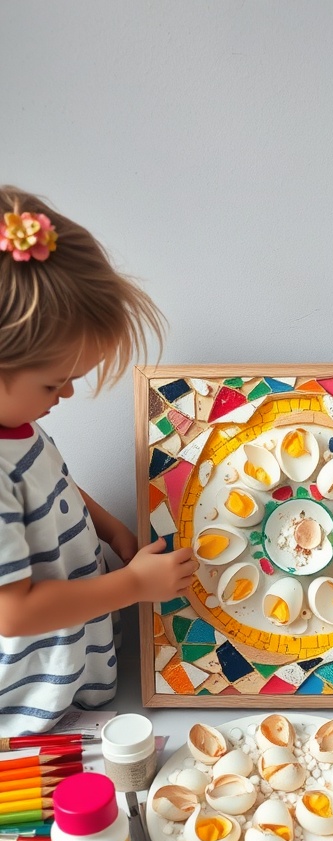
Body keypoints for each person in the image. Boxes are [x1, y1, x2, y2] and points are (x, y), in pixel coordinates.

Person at [0, 186, 195, 735]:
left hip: (70, 658)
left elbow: (51, 483)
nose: (63, 397)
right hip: (26, 698)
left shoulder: (14, 423)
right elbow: (14, 612)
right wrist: (133, 586)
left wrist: (107, 526)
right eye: (54, 382)